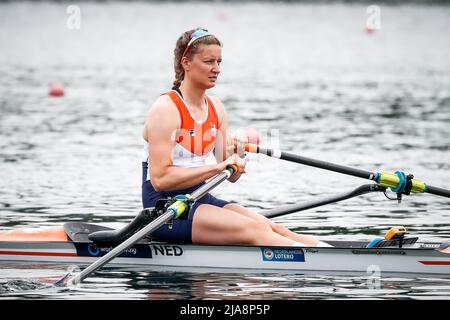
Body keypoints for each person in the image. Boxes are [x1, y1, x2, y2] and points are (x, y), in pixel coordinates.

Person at [142, 28, 330, 247]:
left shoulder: (216, 108)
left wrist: (237, 155)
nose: (216, 69)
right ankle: (317, 266)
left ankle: (333, 255)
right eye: (209, 61)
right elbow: (160, 180)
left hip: (200, 198)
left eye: (219, 62)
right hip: (166, 209)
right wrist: (220, 166)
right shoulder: (165, 109)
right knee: (254, 230)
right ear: (186, 63)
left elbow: (231, 176)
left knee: (273, 227)